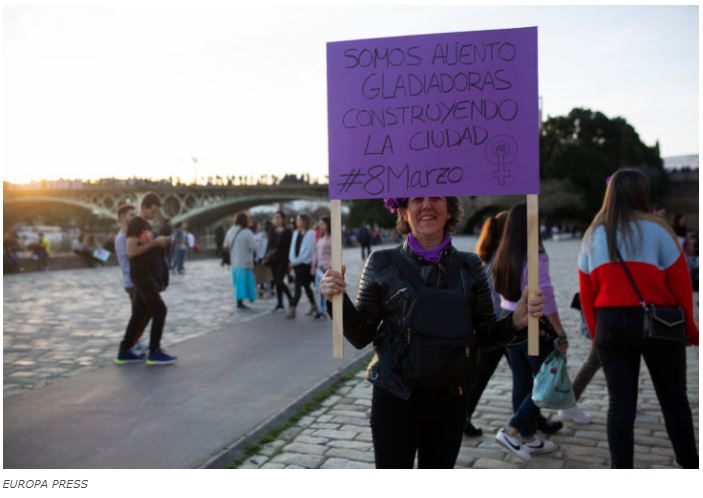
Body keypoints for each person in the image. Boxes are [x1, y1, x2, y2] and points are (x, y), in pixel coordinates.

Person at [320, 196, 545, 469]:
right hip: (395, 396)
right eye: (417, 199)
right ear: (404, 211)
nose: (427, 205)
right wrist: (337, 301)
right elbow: (361, 336)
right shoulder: (381, 262)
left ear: (450, 210)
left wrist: (515, 322)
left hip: (451, 399)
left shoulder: (470, 266)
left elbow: (485, 335)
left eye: (436, 198)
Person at [578, 168, 698, 468]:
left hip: (610, 325)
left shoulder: (593, 234)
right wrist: (689, 330)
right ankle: (690, 466)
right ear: (642, 193)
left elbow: (587, 294)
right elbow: (681, 286)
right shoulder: (659, 229)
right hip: (658, 321)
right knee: (673, 400)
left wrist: (597, 333)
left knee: (620, 407)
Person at [493, 201, 569, 461]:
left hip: (509, 320)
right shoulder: (535, 257)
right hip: (534, 325)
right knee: (545, 381)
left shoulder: (504, 253)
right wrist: (560, 333)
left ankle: (528, 437)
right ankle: (512, 430)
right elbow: (546, 299)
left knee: (522, 381)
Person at [462, 211, 510, 437]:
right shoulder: (503, 255)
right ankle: (528, 419)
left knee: (479, 377)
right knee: (528, 375)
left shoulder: (487, 254)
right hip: (500, 325)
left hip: (490, 324)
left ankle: (463, 417)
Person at [122, 192, 176, 366]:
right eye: (153, 211)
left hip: (146, 274)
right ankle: (154, 352)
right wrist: (154, 243)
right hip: (141, 274)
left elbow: (146, 246)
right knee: (160, 310)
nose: (155, 214)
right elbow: (131, 252)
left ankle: (124, 352)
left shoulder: (145, 225)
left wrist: (162, 242)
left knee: (138, 314)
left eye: (157, 212)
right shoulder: (136, 224)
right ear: (144, 207)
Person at [114, 204, 151, 363]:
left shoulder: (127, 236)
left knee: (142, 314)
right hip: (132, 281)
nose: (134, 217)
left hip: (136, 280)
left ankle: (135, 342)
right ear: (122, 217)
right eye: (131, 215)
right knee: (140, 314)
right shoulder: (122, 237)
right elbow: (131, 256)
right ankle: (130, 345)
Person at [224, 212, 257, 310]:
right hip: (246, 261)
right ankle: (248, 298)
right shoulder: (247, 232)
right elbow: (253, 246)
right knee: (248, 281)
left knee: (238, 282)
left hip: (235, 261)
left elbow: (226, 245)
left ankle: (239, 301)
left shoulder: (230, 231)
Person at [287, 213, 317, 319]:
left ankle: (292, 308)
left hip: (305, 264)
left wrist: (298, 261)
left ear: (304, 221)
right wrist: (292, 261)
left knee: (298, 286)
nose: (297, 222)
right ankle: (313, 305)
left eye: (299, 220)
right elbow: (292, 248)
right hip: (295, 264)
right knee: (305, 286)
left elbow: (309, 250)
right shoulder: (295, 233)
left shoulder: (311, 233)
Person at [266, 210, 293, 313]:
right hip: (273, 260)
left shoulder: (288, 232)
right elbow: (269, 246)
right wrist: (265, 257)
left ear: (283, 219)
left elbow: (290, 247)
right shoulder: (271, 231)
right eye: (275, 217)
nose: (276, 219)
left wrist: (290, 261)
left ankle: (291, 299)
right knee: (276, 282)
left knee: (279, 280)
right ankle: (280, 304)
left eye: (278, 217)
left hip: (283, 259)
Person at [312, 216, 331, 320]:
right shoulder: (321, 238)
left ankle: (323, 311)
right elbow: (316, 252)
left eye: (322, 224)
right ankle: (320, 310)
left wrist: (331, 266)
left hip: (327, 268)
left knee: (324, 291)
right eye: (319, 224)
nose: (320, 226)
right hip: (319, 268)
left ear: (328, 224)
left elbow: (337, 254)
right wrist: (313, 266)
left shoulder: (332, 238)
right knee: (319, 290)